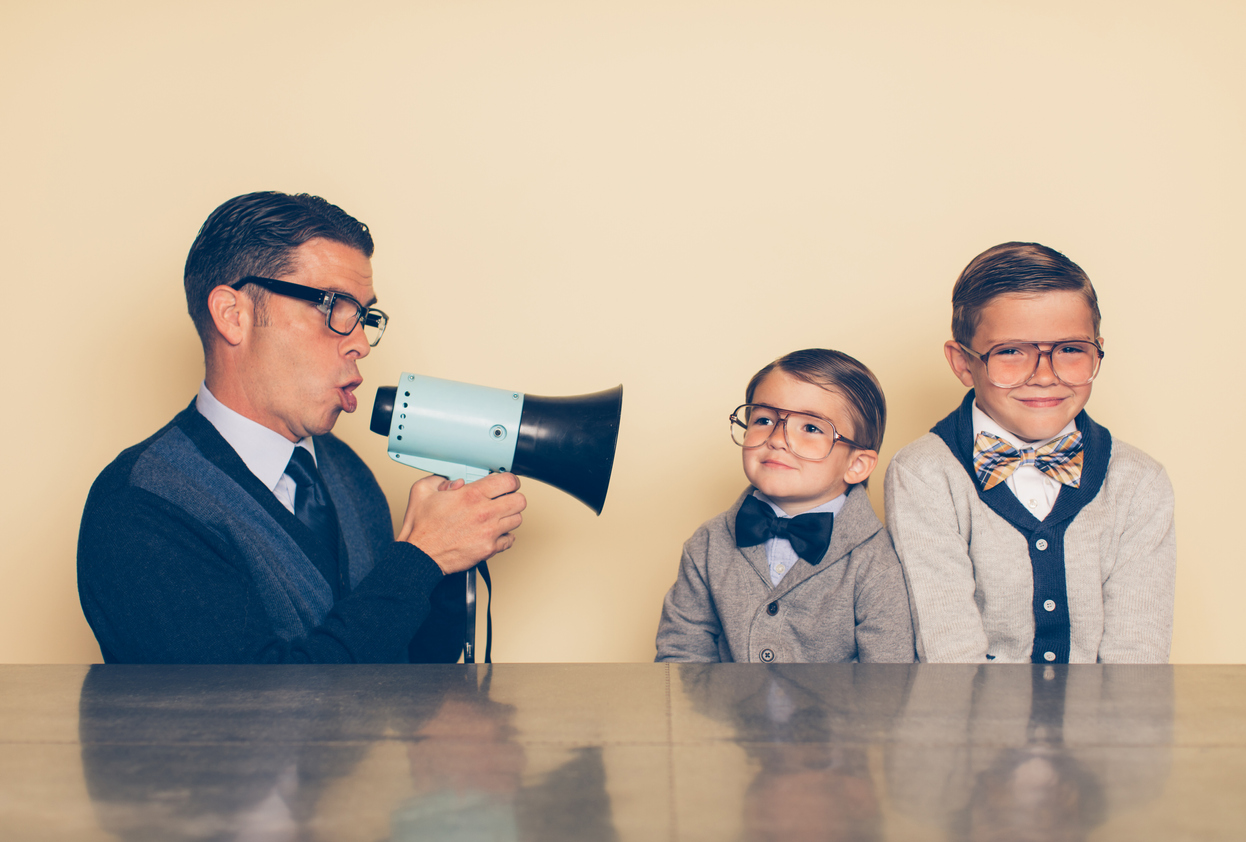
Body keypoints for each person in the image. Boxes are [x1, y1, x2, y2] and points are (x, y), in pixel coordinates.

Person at [77, 191, 526, 663]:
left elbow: (401, 669)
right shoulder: (140, 504)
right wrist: (419, 558)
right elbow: (257, 713)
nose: (360, 344)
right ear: (233, 315)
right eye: (333, 305)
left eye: (364, 317)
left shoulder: (345, 472)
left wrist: (450, 562)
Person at [884, 242, 1176, 664]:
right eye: (1010, 352)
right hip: (971, 725)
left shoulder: (1139, 482)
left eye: (1071, 350)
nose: (1043, 376)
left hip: (1103, 727)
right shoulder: (923, 475)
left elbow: (1137, 659)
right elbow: (949, 654)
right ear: (964, 364)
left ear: (1097, 350)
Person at [655, 348, 915, 663]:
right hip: (721, 713)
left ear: (857, 465)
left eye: (811, 428)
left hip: (842, 713)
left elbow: (888, 679)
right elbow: (681, 653)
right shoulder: (708, 544)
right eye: (763, 419)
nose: (777, 438)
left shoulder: (877, 564)